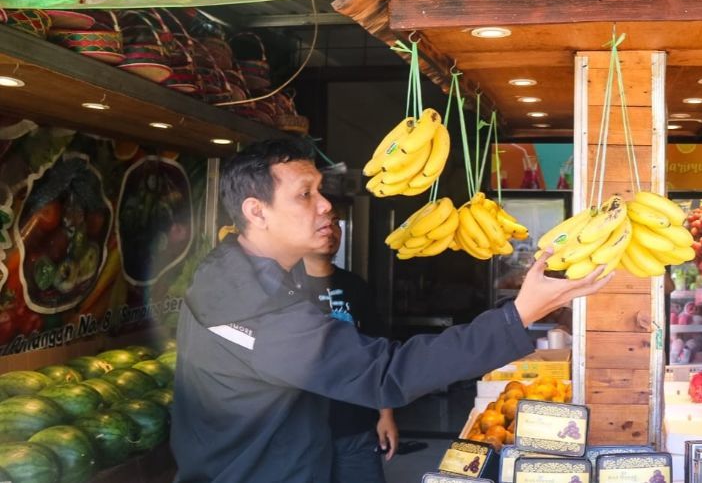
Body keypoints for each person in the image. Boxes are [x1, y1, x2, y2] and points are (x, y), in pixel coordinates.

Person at [171, 138, 612, 483]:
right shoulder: (245, 302)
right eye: (305, 194)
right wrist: (518, 316)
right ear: (256, 212)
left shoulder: (255, 276)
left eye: (320, 190)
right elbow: (385, 373)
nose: (326, 205)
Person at [301, 212, 396, 482]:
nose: (330, 230)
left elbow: (378, 353)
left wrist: (386, 414)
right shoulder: (284, 285)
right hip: (299, 430)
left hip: (355, 425)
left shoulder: (356, 287)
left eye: (335, 223)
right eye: (322, 223)